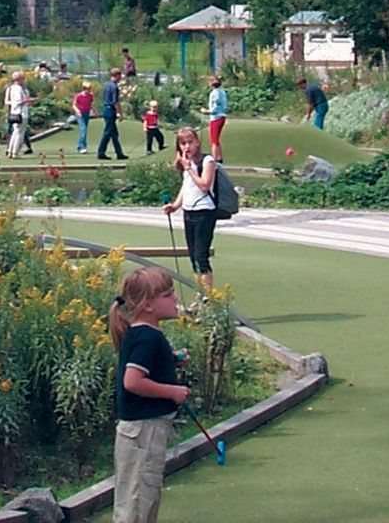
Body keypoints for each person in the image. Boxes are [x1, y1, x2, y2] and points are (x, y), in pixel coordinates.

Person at [108, 266, 189, 523]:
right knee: (138, 501)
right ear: (148, 305)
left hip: (143, 431)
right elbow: (132, 381)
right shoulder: (147, 338)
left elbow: (143, 366)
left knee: (142, 498)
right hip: (144, 432)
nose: (175, 299)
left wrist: (172, 360)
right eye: (167, 294)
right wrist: (173, 391)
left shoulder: (143, 334)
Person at [162, 126, 218, 291]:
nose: (187, 146)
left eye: (190, 142)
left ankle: (208, 299)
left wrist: (188, 168)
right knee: (193, 257)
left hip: (205, 212)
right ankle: (200, 295)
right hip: (189, 212)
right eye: (183, 143)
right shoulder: (187, 163)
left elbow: (204, 185)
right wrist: (175, 205)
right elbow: (186, 187)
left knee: (201, 257)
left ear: (197, 142)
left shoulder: (207, 161)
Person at [97, 68, 130, 161]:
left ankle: (119, 153)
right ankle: (101, 152)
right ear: (116, 75)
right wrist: (120, 113)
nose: (120, 78)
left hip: (105, 108)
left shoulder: (107, 85)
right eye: (120, 76)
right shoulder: (114, 87)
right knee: (108, 132)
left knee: (114, 133)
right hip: (110, 109)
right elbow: (115, 101)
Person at [4, 70, 33, 159]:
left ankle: (10, 151)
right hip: (21, 113)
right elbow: (18, 101)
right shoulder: (18, 89)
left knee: (15, 132)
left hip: (14, 112)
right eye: (23, 78)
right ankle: (15, 152)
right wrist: (28, 100)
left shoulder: (12, 88)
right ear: (19, 79)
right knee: (19, 133)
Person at [206, 75, 228, 163]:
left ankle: (214, 160)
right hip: (222, 116)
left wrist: (206, 111)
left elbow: (215, 107)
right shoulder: (222, 92)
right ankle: (220, 158)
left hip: (216, 117)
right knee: (216, 139)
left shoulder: (215, 93)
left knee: (214, 140)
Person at [73, 82, 94, 154]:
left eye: (89, 89)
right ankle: (82, 147)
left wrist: (94, 111)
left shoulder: (90, 96)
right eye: (88, 89)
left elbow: (90, 104)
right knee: (83, 129)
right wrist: (78, 111)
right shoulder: (78, 96)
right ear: (84, 89)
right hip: (80, 114)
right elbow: (74, 105)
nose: (89, 90)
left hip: (86, 113)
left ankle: (80, 146)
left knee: (84, 130)